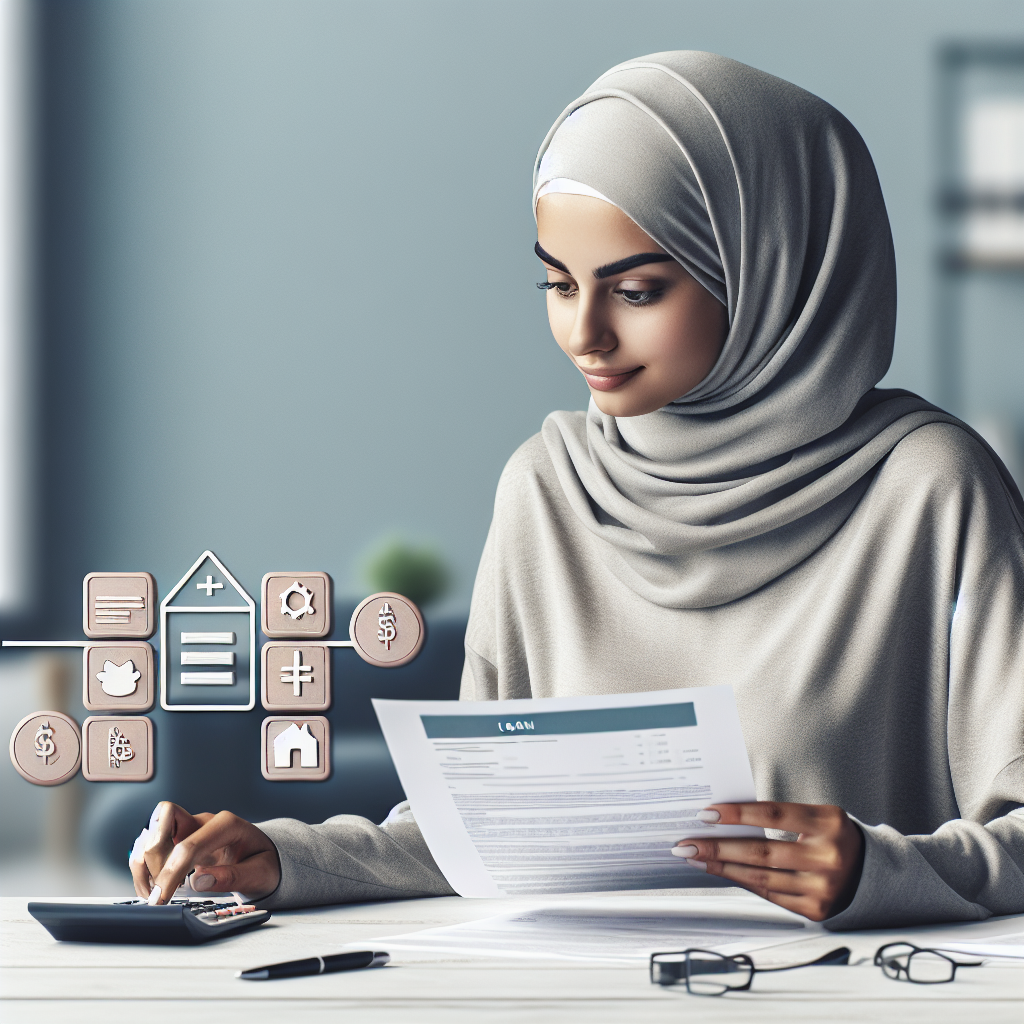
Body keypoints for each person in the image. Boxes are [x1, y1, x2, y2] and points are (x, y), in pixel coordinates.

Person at [131, 51, 1024, 930]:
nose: (585, 334)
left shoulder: (930, 488)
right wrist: (285, 856)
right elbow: (478, 831)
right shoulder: (547, 490)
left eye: (636, 290)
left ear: (770, 269)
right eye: (558, 283)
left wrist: (883, 871)